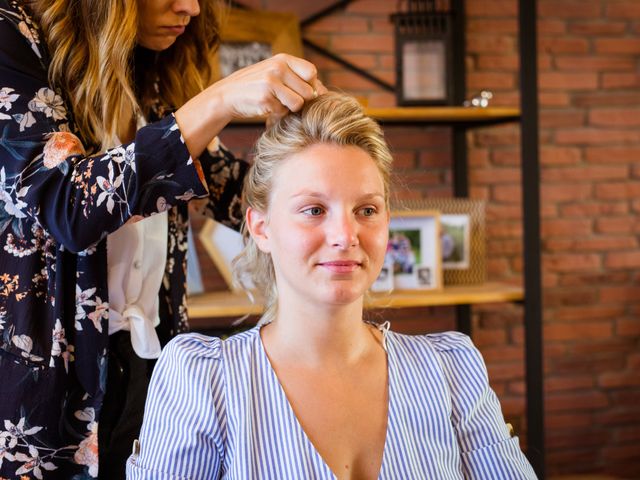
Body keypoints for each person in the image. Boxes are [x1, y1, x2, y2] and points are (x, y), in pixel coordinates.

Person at [127, 92, 537, 479]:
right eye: (314, 209)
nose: (346, 234)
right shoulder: (203, 381)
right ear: (261, 228)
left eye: (367, 209)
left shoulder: (452, 370)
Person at [0, 0, 325, 478]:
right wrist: (219, 100)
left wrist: (323, 187)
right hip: (42, 382)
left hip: (152, 357)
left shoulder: (148, 68)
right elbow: (65, 206)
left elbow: (229, 190)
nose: (190, 7)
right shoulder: (12, 33)